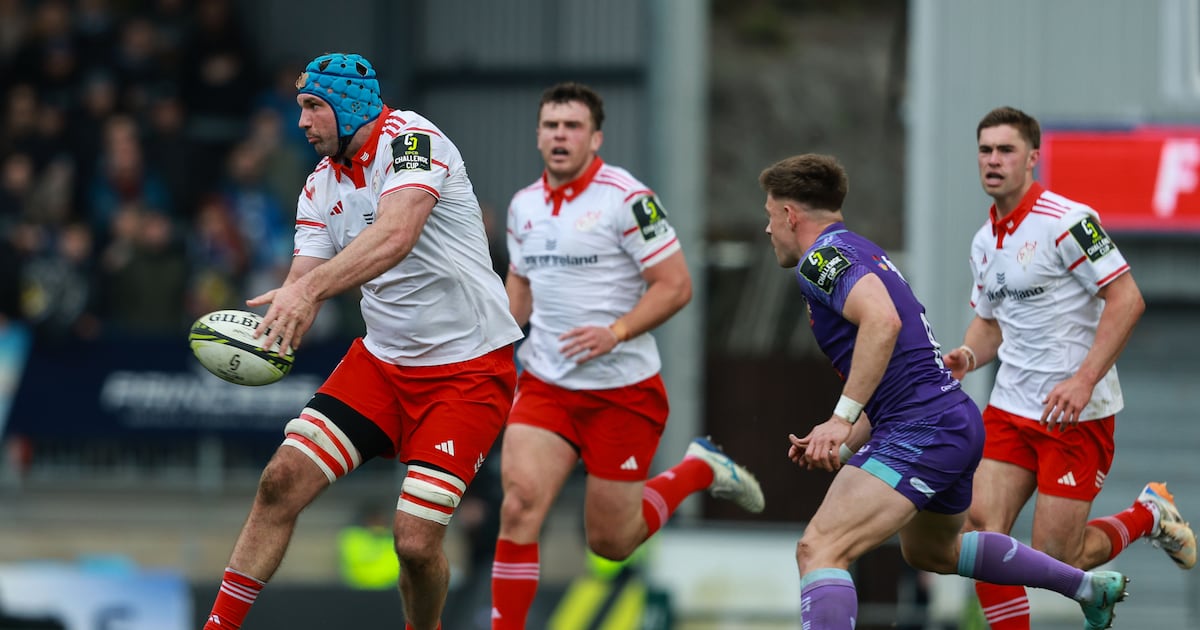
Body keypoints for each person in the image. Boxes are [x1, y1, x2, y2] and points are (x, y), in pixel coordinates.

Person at [199, 52, 523, 630]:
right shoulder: (319, 185)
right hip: (380, 365)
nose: (301, 121)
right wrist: (278, 323)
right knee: (280, 481)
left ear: (349, 106)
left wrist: (309, 291)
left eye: (312, 107)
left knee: (415, 544)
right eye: (301, 107)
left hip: (467, 372)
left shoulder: (414, 141)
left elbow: (396, 234)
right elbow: (304, 278)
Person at [761, 153, 1129, 630]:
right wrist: (845, 437)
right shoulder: (861, 250)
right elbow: (898, 368)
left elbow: (883, 322)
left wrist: (839, 418)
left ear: (790, 215)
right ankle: (1086, 587)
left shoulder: (819, 260)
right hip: (948, 418)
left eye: (769, 216)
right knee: (934, 551)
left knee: (821, 548)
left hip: (923, 426)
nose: (768, 230)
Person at [489, 82, 764, 630]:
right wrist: (485, 342)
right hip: (545, 384)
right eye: (551, 126)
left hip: (623, 392)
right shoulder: (523, 206)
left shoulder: (628, 199)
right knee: (519, 507)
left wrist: (614, 332)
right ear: (538, 135)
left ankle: (696, 469)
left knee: (612, 543)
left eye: (572, 127)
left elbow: (676, 285)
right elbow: (519, 289)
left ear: (596, 138)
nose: (560, 136)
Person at [940, 106, 1197, 629]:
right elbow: (989, 323)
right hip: (1010, 408)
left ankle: (1149, 514)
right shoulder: (984, 241)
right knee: (981, 533)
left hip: (1074, 417)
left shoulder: (1068, 221)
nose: (993, 160)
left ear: (1033, 157)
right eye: (985, 150)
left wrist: (1083, 380)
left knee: (1059, 559)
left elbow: (1127, 300)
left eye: (1006, 150)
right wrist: (968, 355)